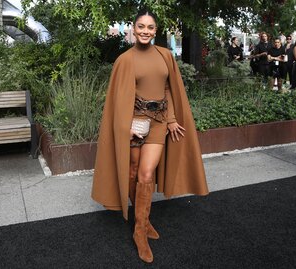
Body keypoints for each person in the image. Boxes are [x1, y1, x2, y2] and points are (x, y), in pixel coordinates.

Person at [91, 9, 209, 263]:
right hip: (134, 124)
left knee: (146, 173)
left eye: (150, 27)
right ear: (133, 29)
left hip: (157, 123)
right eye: (141, 26)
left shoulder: (165, 56)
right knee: (133, 171)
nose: (145, 31)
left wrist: (173, 119)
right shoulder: (124, 59)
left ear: (156, 30)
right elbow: (117, 99)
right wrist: (125, 126)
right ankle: (143, 221)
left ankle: (139, 231)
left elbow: (169, 89)